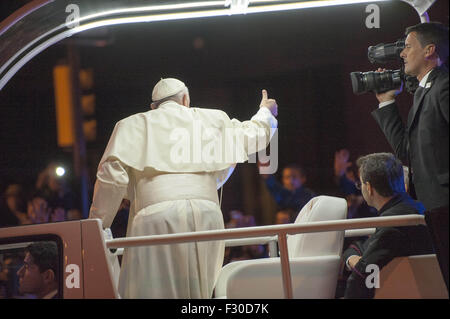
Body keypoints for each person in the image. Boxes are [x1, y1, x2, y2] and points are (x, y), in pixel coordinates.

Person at [89, 78, 278, 298]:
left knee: (155, 292)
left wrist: (98, 224)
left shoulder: (132, 124)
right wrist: (265, 112)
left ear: (153, 107)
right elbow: (253, 135)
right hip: (208, 216)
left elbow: (111, 175)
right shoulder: (214, 118)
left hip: (155, 217)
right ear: (186, 99)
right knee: (201, 294)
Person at [371, 22, 448, 289]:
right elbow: (407, 151)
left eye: (407, 46)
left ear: (430, 50)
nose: (402, 54)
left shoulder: (445, 85)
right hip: (434, 206)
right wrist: (386, 101)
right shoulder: (424, 91)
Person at [342, 153, 434, 299]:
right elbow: (365, 248)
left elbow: (364, 273)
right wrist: (351, 258)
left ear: (369, 188)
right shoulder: (417, 208)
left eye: (360, 184)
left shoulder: (393, 221)